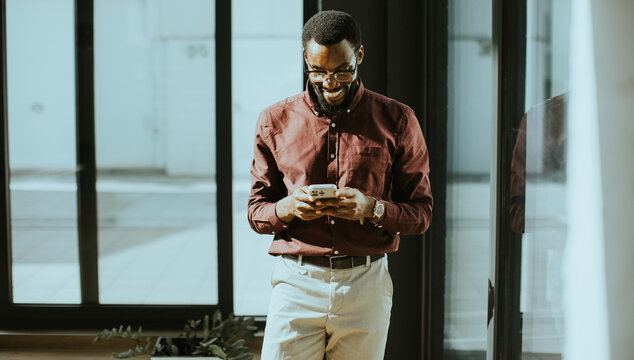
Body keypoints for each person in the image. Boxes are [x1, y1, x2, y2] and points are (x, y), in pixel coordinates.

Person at [248, 10, 433, 360]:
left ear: (359, 56)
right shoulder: (274, 121)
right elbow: (257, 212)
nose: (330, 82)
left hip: (365, 284)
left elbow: (422, 213)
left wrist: (373, 209)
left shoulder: (397, 119)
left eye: (343, 70)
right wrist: (288, 207)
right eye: (318, 71)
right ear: (306, 59)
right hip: (296, 283)